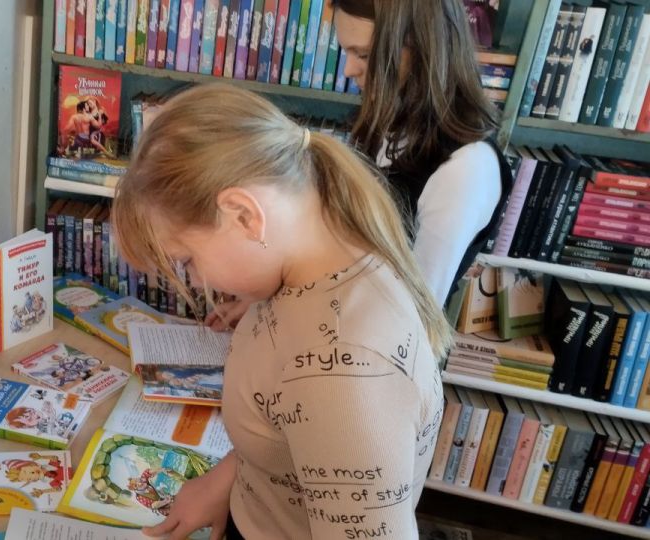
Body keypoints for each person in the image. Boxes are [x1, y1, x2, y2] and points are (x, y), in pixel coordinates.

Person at [112, 83, 451, 539]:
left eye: (187, 261)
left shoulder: (345, 374)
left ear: (243, 216)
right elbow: (290, 426)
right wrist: (226, 481)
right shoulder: (307, 264)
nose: (193, 282)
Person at [208, 0, 512, 331]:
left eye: (364, 55)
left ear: (424, 49)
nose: (349, 70)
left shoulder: (465, 168)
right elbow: (342, 244)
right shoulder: (388, 124)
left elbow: (412, 317)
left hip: (372, 349)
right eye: (347, 52)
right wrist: (269, 300)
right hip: (330, 328)